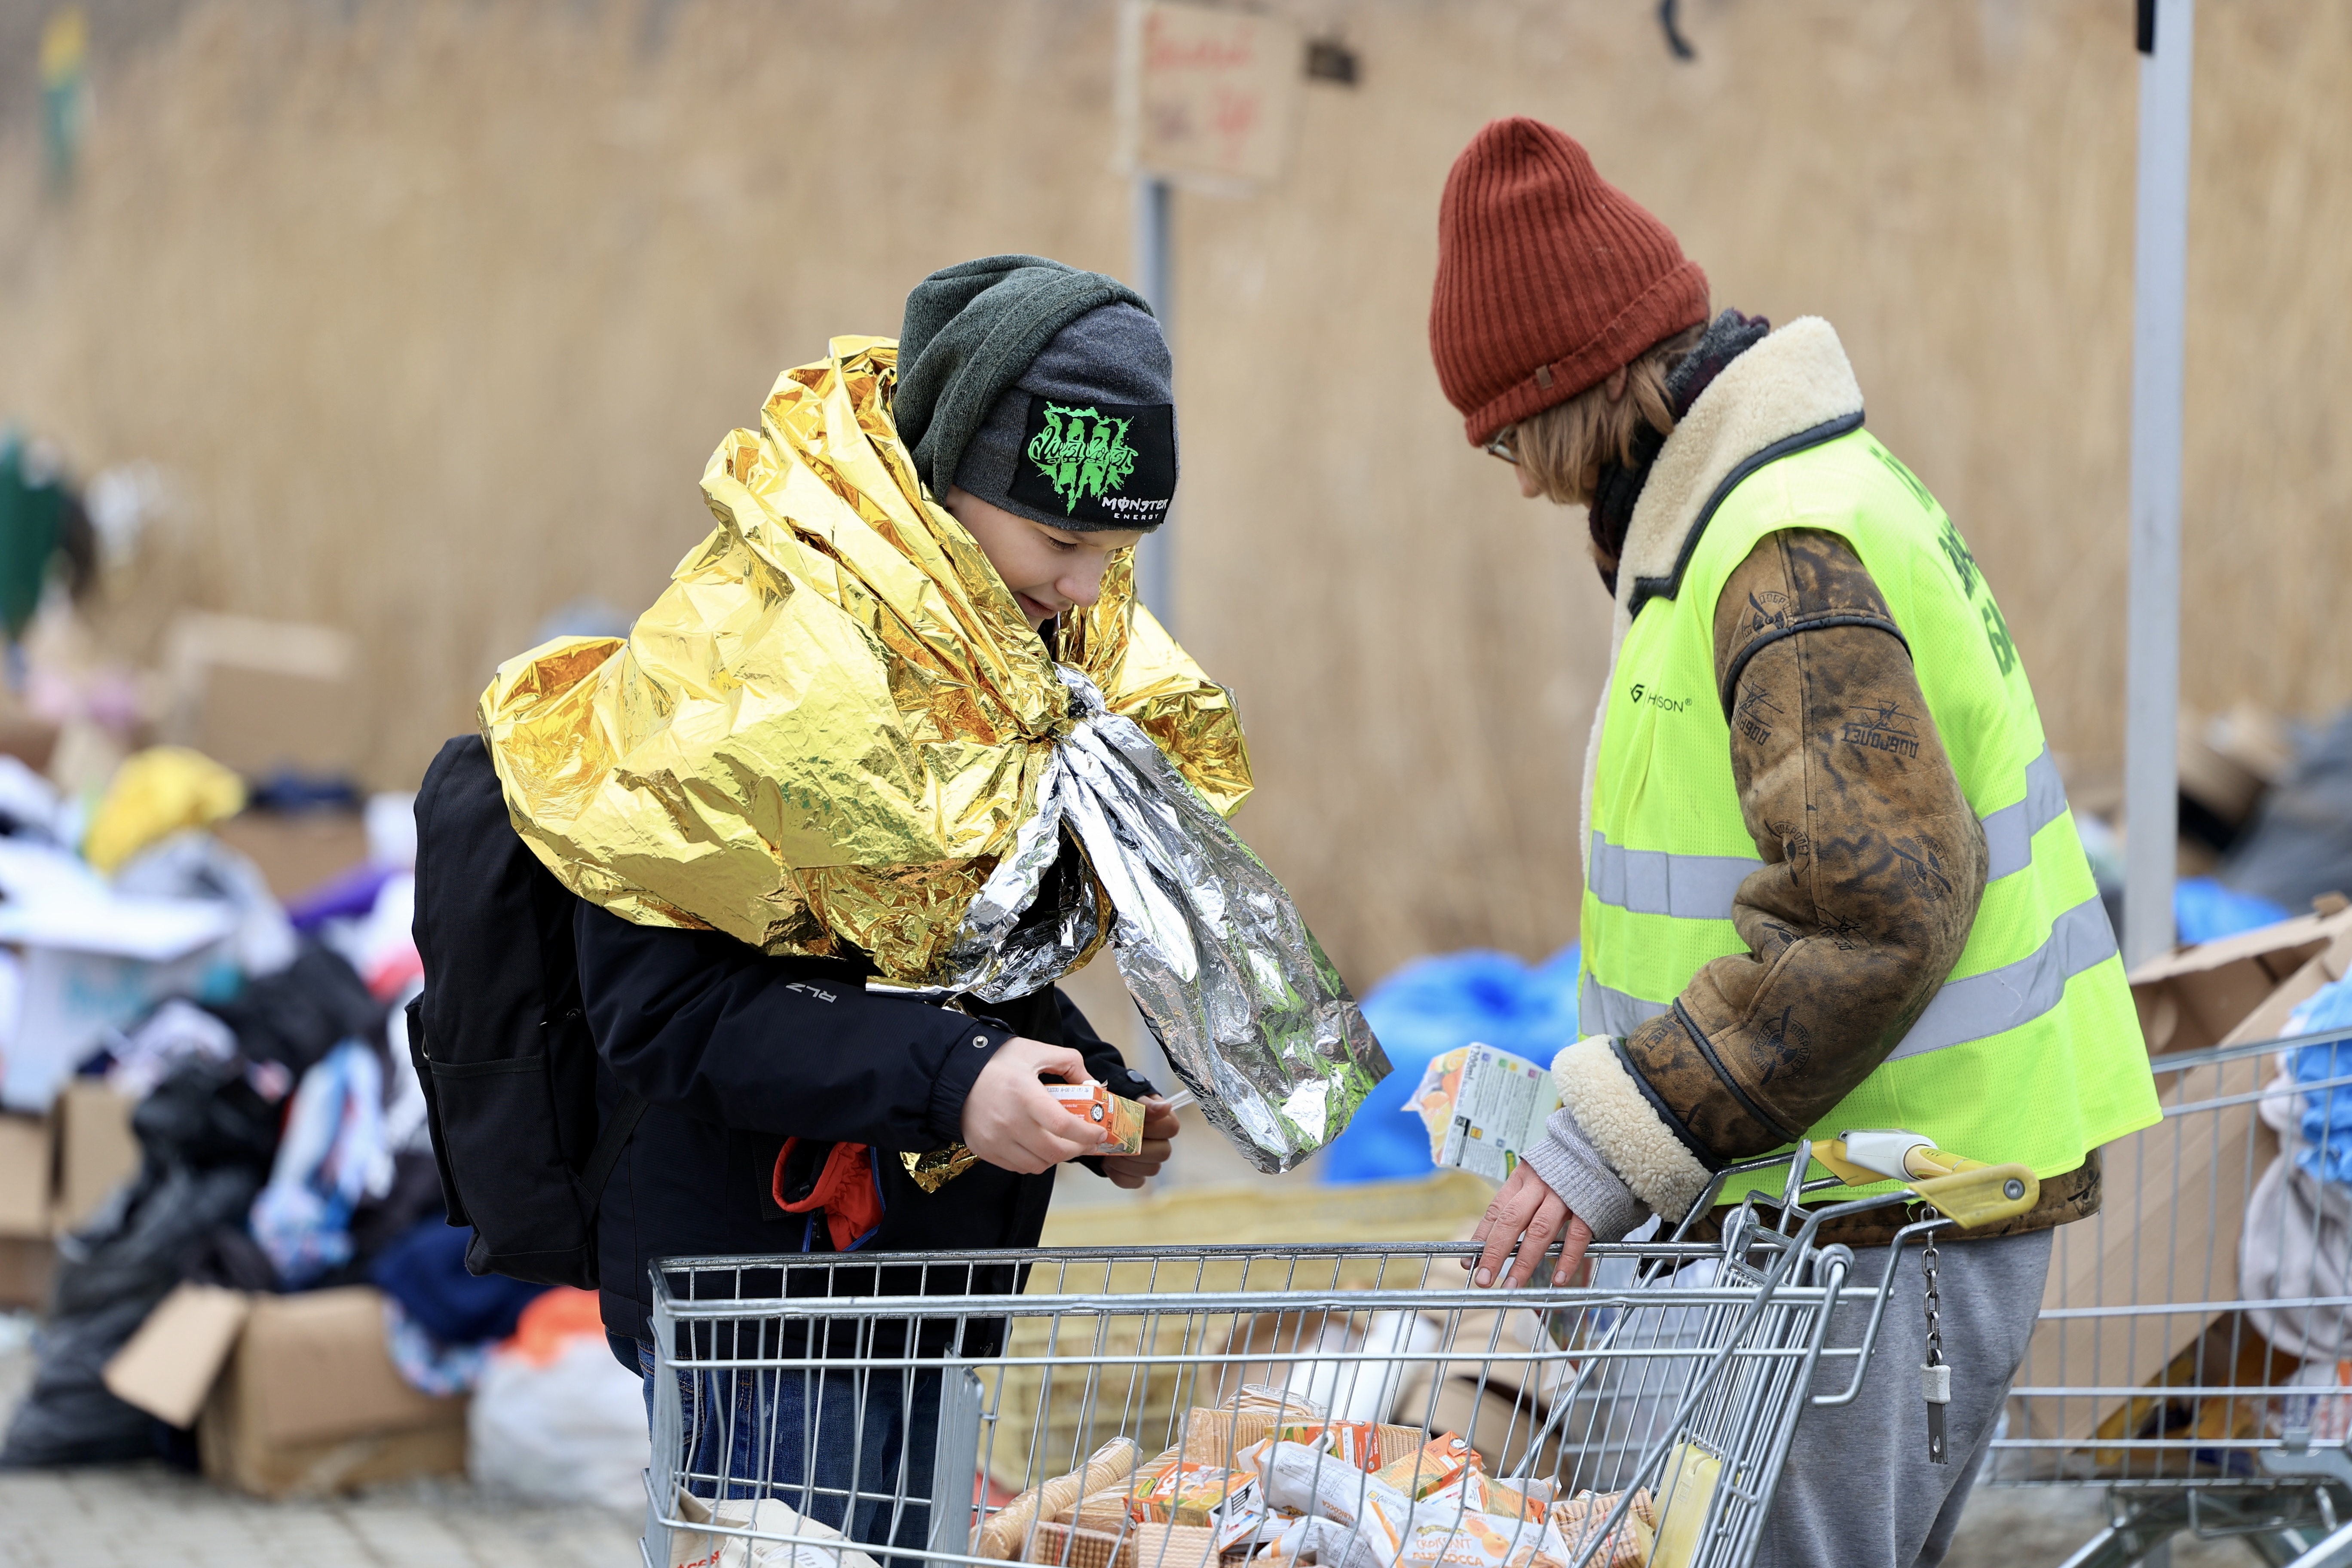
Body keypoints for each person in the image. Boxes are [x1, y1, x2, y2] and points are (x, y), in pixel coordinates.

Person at [1426, 119, 2159, 1566]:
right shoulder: (1749, 523)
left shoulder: (1783, 550)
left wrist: (1609, 1138)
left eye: (1511, 436)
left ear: (1572, 394)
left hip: (1881, 1235)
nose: (1517, 480)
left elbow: (1873, 913)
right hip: (1824, 1225)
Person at [581, 257, 1185, 1548]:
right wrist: (961, 1079)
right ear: (953, 482)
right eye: (1063, 544)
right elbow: (664, 1010)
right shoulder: (742, 653)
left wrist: (1082, 1083)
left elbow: (942, 957)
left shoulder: (983, 651)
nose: (1087, 591)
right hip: (765, 1317)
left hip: (921, 1296)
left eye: (1114, 555)